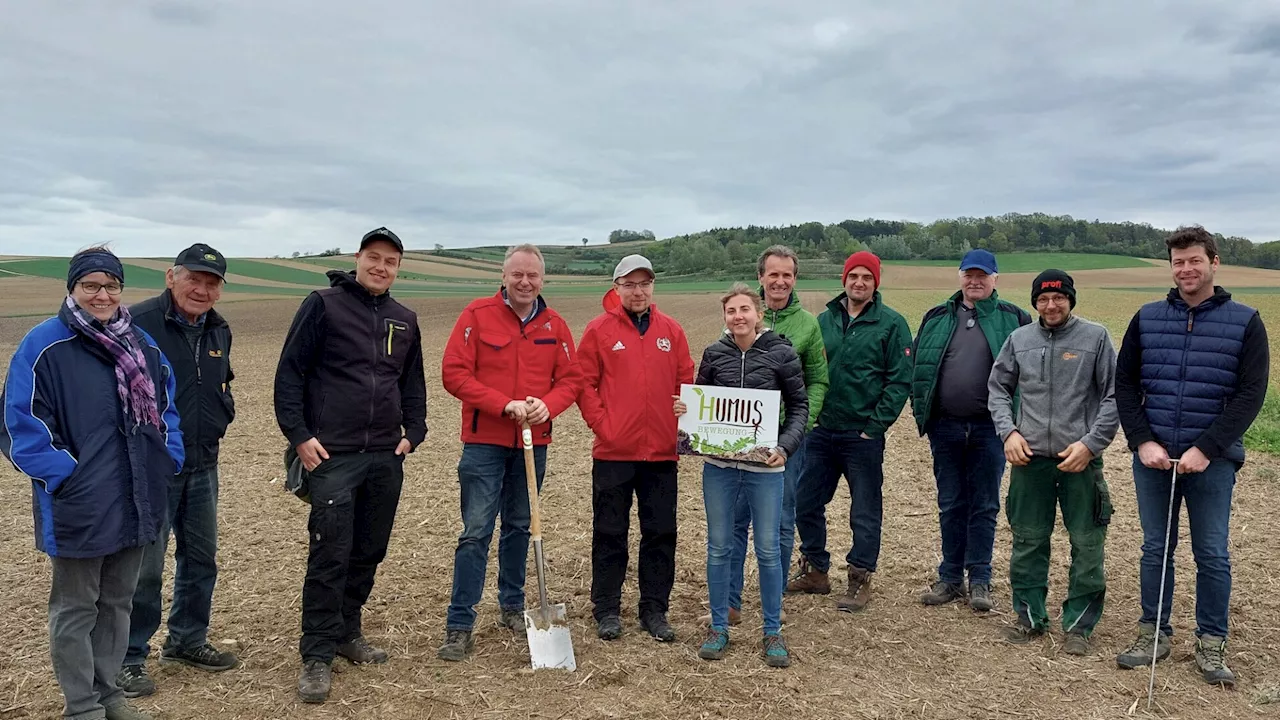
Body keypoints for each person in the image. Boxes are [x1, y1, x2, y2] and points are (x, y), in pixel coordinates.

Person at [1, 247, 184, 720]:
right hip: (80, 503)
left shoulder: (142, 345)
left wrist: (167, 460)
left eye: (111, 285)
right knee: (76, 608)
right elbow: (20, 424)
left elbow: (166, 411)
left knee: (118, 603)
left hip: (138, 495)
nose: (102, 295)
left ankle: (110, 696)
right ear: (73, 289)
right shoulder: (45, 345)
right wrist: (67, 477)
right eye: (91, 285)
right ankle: (82, 707)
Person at [273, 227, 427, 703]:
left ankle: (346, 632)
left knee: (368, 550)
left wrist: (413, 434)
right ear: (358, 258)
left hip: (384, 455)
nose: (381, 267)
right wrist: (299, 436)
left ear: (398, 269)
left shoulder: (405, 319)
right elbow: (290, 373)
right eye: (374, 257)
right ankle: (317, 653)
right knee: (330, 552)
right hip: (333, 455)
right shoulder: (323, 304)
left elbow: (412, 383)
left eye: (391, 261)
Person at [1113, 226, 1270, 686]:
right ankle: (1153, 633)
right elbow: (1125, 384)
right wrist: (1142, 439)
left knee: (1212, 553)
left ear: (1214, 262)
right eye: (1178, 262)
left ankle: (1211, 641)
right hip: (1154, 457)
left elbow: (1250, 394)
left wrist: (1207, 448)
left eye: (1194, 261)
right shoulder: (1146, 318)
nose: (1186, 269)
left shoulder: (1245, 320)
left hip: (1213, 462)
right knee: (1155, 549)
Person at [437, 244, 582, 661]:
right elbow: (454, 373)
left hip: (532, 445)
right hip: (485, 442)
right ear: (504, 276)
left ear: (543, 280)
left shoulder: (555, 324)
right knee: (476, 531)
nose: (524, 282)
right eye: (517, 274)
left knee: (521, 525)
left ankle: (513, 606)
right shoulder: (477, 315)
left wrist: (547, 406)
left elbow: (571, 379)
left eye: (532, 276)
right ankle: (460, 623)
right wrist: (502, 404)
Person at [118, 244, 239, 698]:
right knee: (144, 570)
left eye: (212, 283)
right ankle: (128, 657)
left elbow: (221, 383)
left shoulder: (218, 329)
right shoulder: (136, 324)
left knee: (200, 558)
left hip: (204, 462)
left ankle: (187, 640)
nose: (202, 289)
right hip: (150, 469)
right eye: (194, 278)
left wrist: (224, 416)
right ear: (171, 277)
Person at [987, 269, 1119, 655]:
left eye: (1058, 298)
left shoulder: (1095, 338)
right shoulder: (1020, 339)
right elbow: (997, 389)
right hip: (1030, 461)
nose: (1051, 305)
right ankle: (1029, 617)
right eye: (1043, 299)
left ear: (1070, 299)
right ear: (1035, 303)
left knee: (1087, 541)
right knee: (1028, 539)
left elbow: (1114, 396)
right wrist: (1008, 433)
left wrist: (1091, 444)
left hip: (1079, 460)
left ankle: (1079, 626)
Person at [679, 282, 808, 668]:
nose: (738, 316)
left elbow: (800, 405)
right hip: (719, 469)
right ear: (725, 317)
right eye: (731, 311)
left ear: (758, 313)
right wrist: (684, 413)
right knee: (719, 546)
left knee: (768, 549)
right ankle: (719, 626)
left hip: (765, 469)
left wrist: (784, 447)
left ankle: (772, 632)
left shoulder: (782, 352)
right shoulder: (714, 354)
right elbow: (701, 403)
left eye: (744, 310)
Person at [577, 255, 694, 642]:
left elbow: (685, 380)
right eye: (630, 284)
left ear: (652, 287)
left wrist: (681, 415)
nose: (638, 291)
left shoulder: (671, 331)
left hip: (661, 452)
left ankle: (654, 610)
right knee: (610, 531)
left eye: (645, 283)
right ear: (616, 287)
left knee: (660, 532)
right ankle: (607, 609)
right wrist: (603, 425)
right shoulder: (599, 330)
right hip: (614, 452)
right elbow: (584, 384)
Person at [789, 251, 912, 612]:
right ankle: (815, 570)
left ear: (876, 283)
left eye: (867, 277)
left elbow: (899, 380)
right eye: (853, 276)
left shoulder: (891, 324)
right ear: (844, 279)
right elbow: (806, 373)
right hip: (822, 433)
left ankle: (859, 577)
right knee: (806, 502)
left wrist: (874, 428)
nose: (859, 282)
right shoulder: (822, 322)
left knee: (865, 510)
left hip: (862, 437)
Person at [911, 249, 1030, 611]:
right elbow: (918, 366)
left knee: (984, 504)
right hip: (945, 427)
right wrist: (926, 414)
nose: (975, 281)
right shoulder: (936, 317)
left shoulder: (1014, 318)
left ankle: (980, 578)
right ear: (959, 276)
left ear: (996, 279)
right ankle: (950, 578)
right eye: (969, 274)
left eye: (983, 275)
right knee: (950, 502)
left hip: (991, 429)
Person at [725, 245, 828, 626]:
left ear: (794, 279)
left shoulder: (807, 325)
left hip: (786, 441)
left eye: (787, 274)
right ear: (761, 278)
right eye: (773, 274)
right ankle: (731, 601)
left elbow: (817, 381)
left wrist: (798, 429)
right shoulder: (740, 318)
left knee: (781, 522)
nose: (780, 281)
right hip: (740, 438)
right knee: (735, 521)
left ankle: (774, 600)